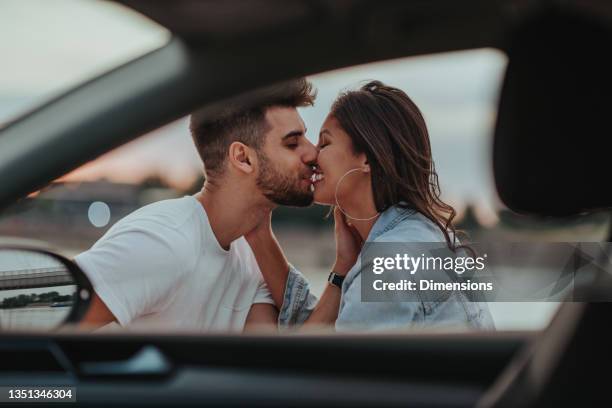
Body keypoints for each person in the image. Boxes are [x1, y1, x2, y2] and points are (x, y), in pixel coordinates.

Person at [77, 78, 333, 331]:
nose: (313, 153)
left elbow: (283, 356)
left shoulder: (372, 247)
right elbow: (50, 330)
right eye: (292, 143)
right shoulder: (163, 241)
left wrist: (350, 259)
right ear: (242, 158)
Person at [246, 80, 495, 331]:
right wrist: (343, 266)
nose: (313, 155)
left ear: (366, 158)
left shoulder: (386, 261)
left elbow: (328, 366)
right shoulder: (425, 236)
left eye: (325, 143)